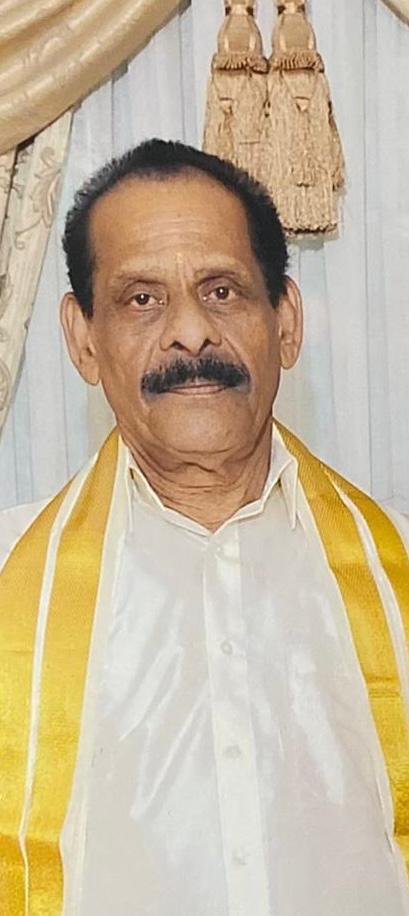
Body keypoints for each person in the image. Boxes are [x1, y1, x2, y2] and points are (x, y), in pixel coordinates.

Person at [1, 139, 409, 916]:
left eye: (221, 291)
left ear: (284, 321)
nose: (190, 334)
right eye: (141, 299)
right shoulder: (8, 579)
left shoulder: (398, 570)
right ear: (83, 339)